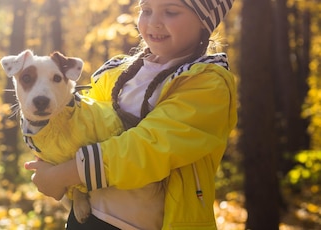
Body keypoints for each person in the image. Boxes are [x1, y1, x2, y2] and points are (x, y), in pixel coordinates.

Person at [23, 0, 237, 229]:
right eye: (146, 11)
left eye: (171, 11)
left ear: (204, 23)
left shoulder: (207, 84)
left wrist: (62, 175)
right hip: (86, 217)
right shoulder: (114, 73)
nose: (153, 22)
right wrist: (50, 163)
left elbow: (149, 147)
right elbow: (79, 128)